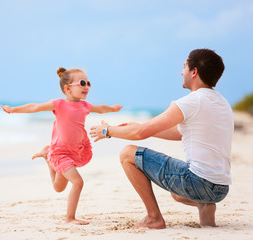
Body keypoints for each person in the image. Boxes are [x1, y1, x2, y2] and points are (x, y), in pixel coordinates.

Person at [89, 49, 233, 229]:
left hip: (199, 183)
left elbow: (140, 134)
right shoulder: (221, 102)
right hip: (220, 187)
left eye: (184, 67)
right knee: (176, 193)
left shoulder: (192, 101)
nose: (182, 72)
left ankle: (153, 217)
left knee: (127, 154)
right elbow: (180, 133)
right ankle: (204, 204)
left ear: (194, 72)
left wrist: (107, 131)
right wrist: (141, 127)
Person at [2, 67, 122, 225]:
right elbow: (34, 107)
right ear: (68, 88)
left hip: (76, 151)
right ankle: (70, 218)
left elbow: (100, 109)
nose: (86, 86)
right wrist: (13, 110)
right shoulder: (59, 104)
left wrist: (112, 109)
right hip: (60, 152)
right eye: (82, 83)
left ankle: (47, 155)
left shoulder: (84, 106)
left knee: (58, 188)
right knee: (78, 182)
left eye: (88, 83)